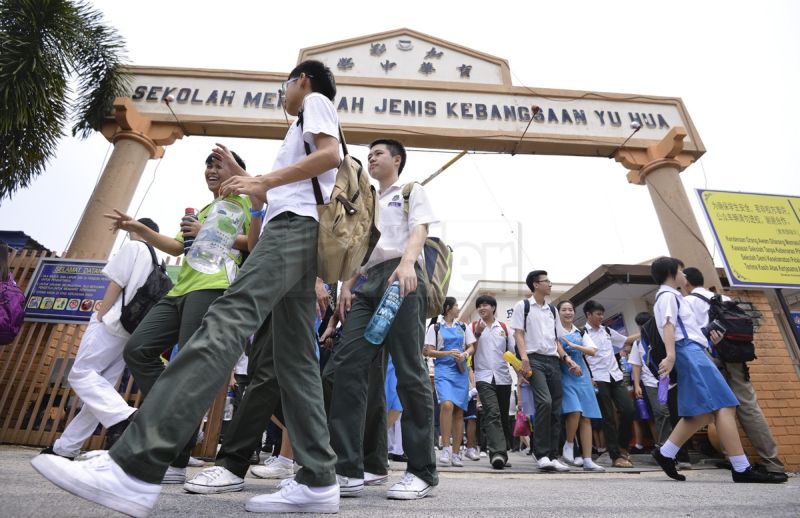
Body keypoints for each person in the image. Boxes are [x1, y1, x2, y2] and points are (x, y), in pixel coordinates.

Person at [31, 59, 344, 515]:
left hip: (294, 231)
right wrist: (254, 182)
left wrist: (261, 179)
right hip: (296, 232)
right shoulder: (298, 129)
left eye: (285, 84)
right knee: (295, 360)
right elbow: (292, 185)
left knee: (225, 319)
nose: (283, 93)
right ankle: (318, 481)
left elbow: (330, 156)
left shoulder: (314, 103)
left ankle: (135, 466)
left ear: (304, 80)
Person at [99, 150, 252, 484]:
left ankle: (177, 456)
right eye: (208, 164)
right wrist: (140, 227)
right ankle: (173, 420)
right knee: (137, 350)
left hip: (212, 287)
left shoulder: (240, 202)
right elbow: (177, 247)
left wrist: (206, 230)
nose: (212, 170)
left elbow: (250, 243)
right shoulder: (204, 208)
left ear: (236, 170)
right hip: (179, 289)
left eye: (219, 164)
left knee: (187, 367)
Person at [327, 138, 439, 500]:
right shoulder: (368, 201)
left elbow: (420, 228)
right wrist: (347, 284)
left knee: (409, 371)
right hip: (368, 283)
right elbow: (360, 247)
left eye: (378, 154)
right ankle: (348, 469)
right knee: (347, 365)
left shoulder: (410, 190)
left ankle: (421, 471)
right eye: (369, 155)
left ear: (397, 159)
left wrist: (408, 263)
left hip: (402, 276)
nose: (371, 158)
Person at [648, 257, 780, 483]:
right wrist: (670, 356)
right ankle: (741, 468)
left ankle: (666, 452)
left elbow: (675, 326)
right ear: (671, 272)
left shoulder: (668, 296)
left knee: (703, 412)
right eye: (681, 270)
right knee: (726, 406)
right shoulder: (668, 295)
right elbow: (668, 325)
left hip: (691, 352)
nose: (684, 276)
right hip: (689, 353)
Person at [40, 219, 160, 460]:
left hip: (112, 321)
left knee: (80, 373)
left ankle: (124, 416)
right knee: (100, 388)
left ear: (135, 230)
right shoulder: (153, 257)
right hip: (130, 328)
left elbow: (116, 283)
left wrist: (101, 314)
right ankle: (66, 447)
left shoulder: (133, 248)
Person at [683, 267, 787, 482]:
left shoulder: (688, 303)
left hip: (711, 358)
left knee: (720, 409)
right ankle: (773, 464)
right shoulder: (723, 298)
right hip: (736, 357)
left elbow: (692, 336)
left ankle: (734, 458)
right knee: (748, 407)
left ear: (686, 282)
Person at [510, 270, 581, 472]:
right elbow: (518, 334)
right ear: (535, 284)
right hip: (533, 359)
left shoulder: (552, 310)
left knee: (556, 407)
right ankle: (540, 453)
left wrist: (567, 359)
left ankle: (553, 455)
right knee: (545, 402)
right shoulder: (522, 307)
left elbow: (555, 339)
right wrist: (524, 359)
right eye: (546, 281)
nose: (550, 284)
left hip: (553, 360)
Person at [582, 299, 638, 468]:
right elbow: (582, 357)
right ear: (589, 315)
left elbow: (626, 340)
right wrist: (588, 377)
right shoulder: (582, 333)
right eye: (598, 314)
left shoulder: (607, 330)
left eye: (602, 314)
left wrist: (647, 330)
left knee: (628, 410)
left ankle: (622, 446)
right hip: (598, 378)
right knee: (608, 417)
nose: (601, 317)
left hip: (615, 376)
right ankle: (615, 456)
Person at [424, 297, 476, 468]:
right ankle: (445, 447)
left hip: (460, 371)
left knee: (459, 411)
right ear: (447, 308)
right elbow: (428, 351)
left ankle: (456, 453)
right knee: (446, 405)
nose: (458, 308)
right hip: (443, 371)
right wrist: (446, 354)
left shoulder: (463, 327)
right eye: (456, 306)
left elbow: (471, 346)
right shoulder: (435, 328)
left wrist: (465, 355)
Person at [555, 300, 605, 472]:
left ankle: (588, 459)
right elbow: (557, 349)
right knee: (574, 410)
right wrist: (569, 355)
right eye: (564, 310)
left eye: (570, 310)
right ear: (558, 313)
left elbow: (592, 350)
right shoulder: (555, 331)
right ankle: (569, 444)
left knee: (587, 417)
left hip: (583, 376)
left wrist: (575, 345)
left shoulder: (580, 331)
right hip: (565, 375)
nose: (568, 312)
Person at [470, 294, 515, 469]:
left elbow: (512, 353)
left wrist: (522, 372)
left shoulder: (504, 327)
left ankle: (502, 453)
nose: (482, 308)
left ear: (493, 308)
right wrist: (478, 334)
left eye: (486, 305)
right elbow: (470, 350)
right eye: (479, 305)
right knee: (492, 413)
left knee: (503, 416)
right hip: (483, 377)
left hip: (503, 377)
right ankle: (496, 453)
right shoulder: (472, 327)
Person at [628, 311, 674, 450]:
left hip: (669, 381)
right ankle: (664, 446)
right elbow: (636, 365)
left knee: (672, 412)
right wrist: (637, 385)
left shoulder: (662, 337)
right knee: (661, 412)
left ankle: (675, 446)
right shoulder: (638, 343)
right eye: (640, 326)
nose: (643, 328)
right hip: (651, 383)